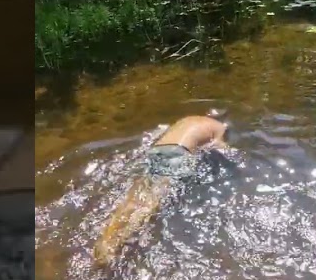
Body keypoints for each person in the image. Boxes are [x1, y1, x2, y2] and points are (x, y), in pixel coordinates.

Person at [93, 114, 229, 267]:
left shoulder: (184, 120)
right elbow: (220, 147)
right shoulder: (219, 127)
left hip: (159, 150)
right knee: (149, 204)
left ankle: (106, 240)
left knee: (137, 196)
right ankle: (116, 249)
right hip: (178, 153)